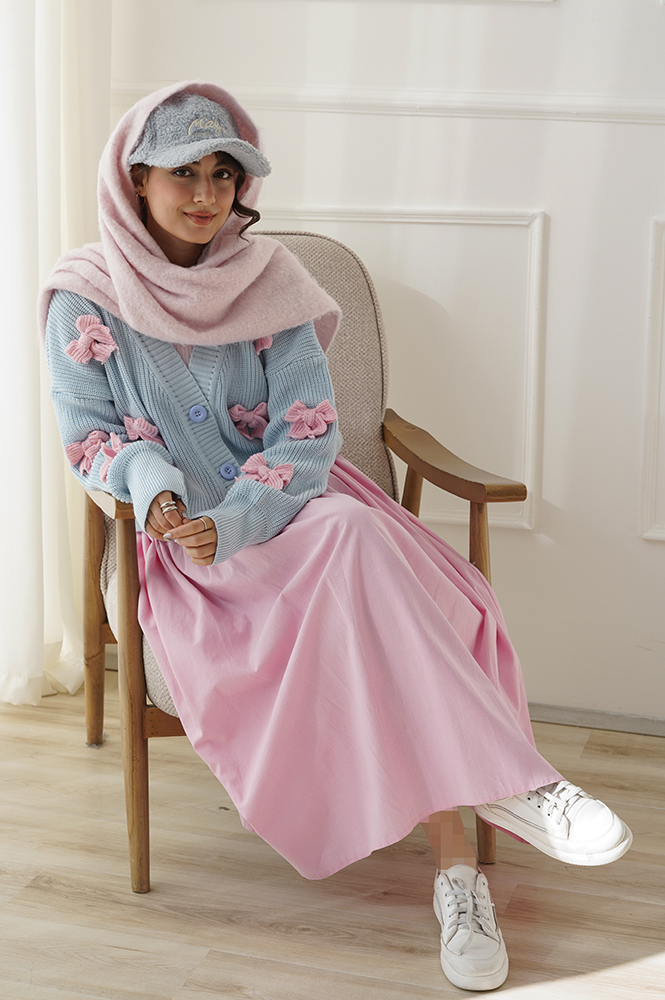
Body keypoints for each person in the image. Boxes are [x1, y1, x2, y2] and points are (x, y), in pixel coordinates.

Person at [40, 82, 632, 992]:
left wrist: (241, 515)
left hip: (294, 511)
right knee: (382, 583)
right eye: (184, 173)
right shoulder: (85, 296)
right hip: (190, 555)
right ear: (136, 178)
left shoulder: (269, 279)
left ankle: (472, 856)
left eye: (223, 174)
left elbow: (308, 432)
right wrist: (153, 488)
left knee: (355, 535)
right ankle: (497, 804)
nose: (206, 194)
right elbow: (90, 437)